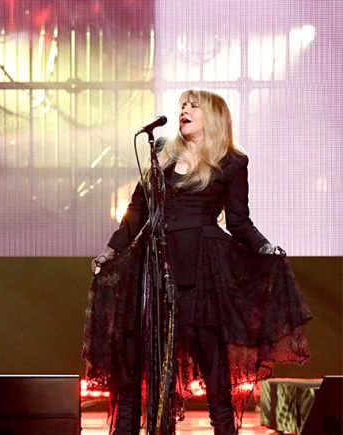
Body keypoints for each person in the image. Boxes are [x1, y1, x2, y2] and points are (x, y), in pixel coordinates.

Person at [82, 90, 312, 434]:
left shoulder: (232, 162)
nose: (184, 111)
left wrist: (264, 248)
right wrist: (111, 251)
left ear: (214, 117)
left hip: (202, 273)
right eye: (182, 106)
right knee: (140, 368)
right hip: (154, 269)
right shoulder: (161, 154)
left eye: (193, 106)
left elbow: (238, 221)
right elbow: (137, 213)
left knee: (215, 372)